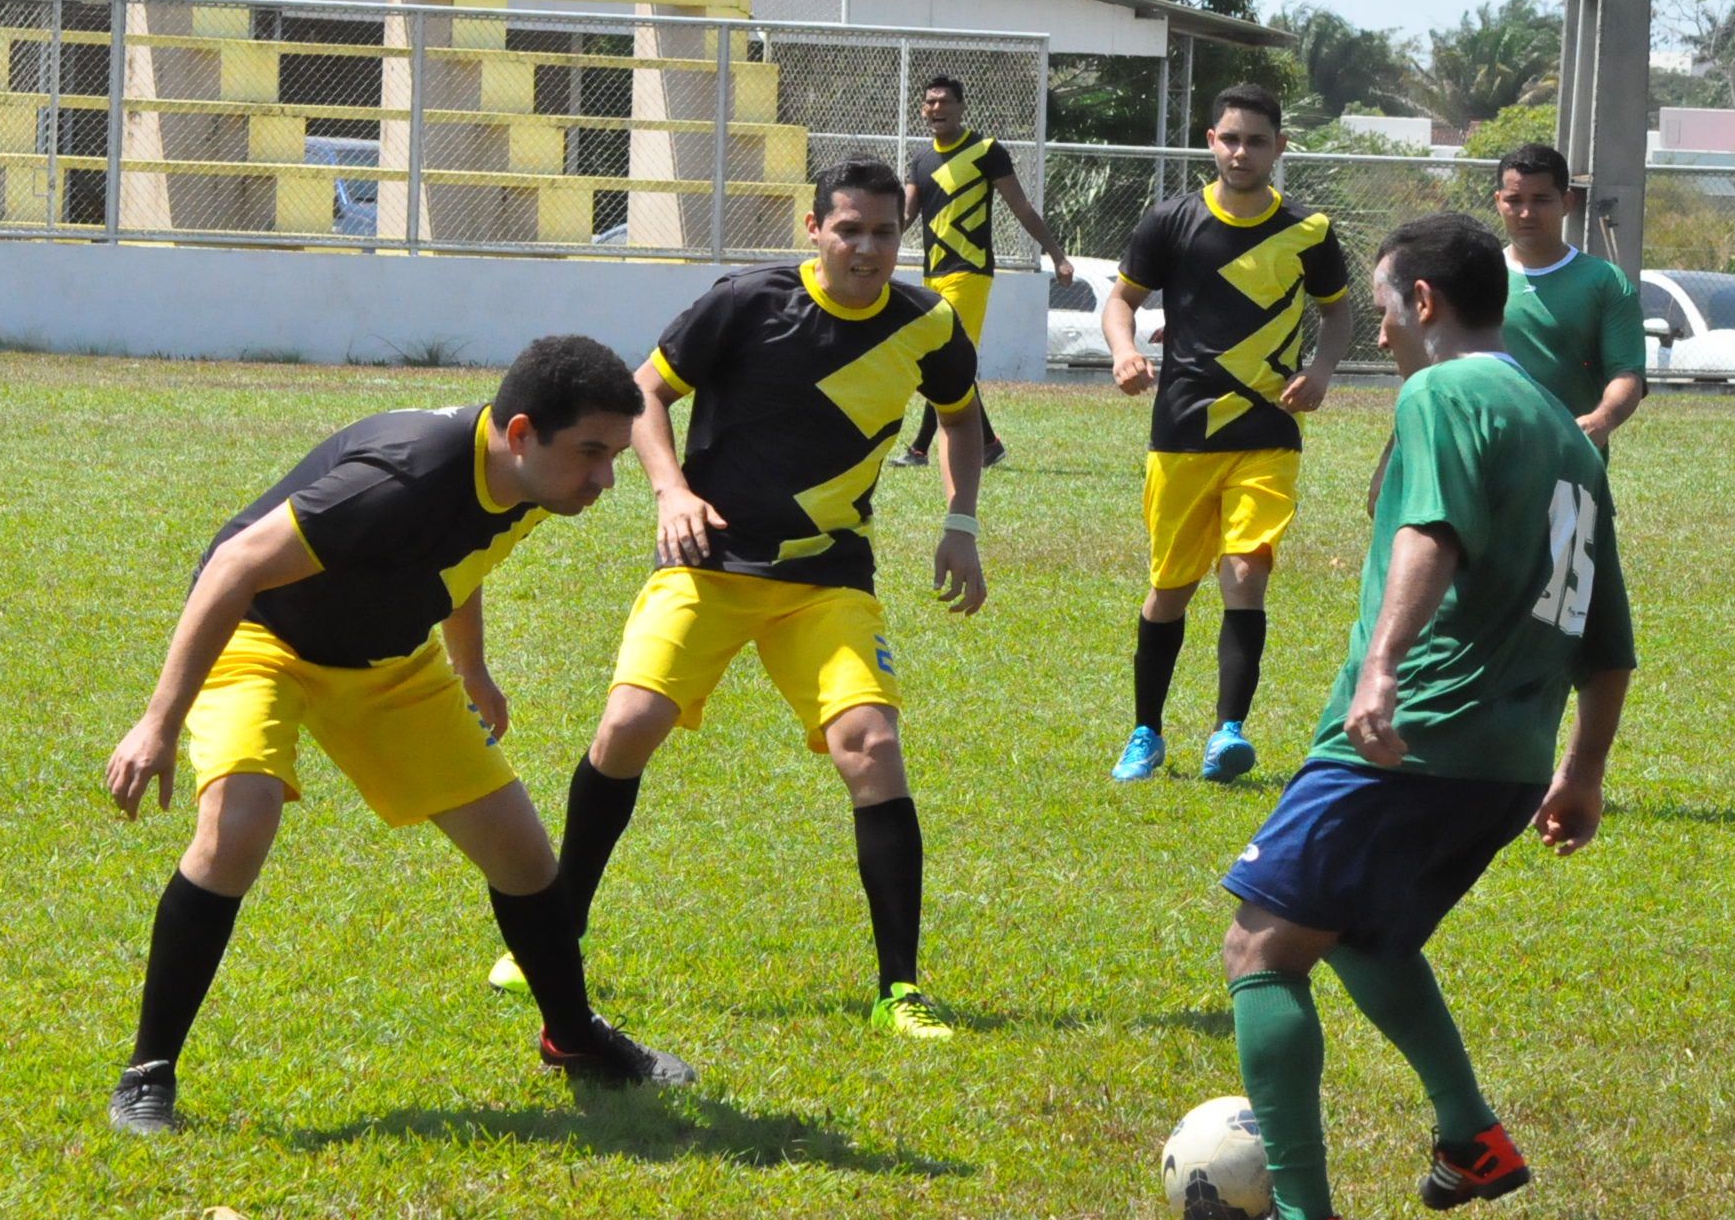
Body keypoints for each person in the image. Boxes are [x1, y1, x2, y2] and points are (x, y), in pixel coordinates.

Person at [102, 336, 695, 1135]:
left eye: (614, 454)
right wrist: (158, 722)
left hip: (388, 661)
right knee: (238, 826)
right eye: (591, 453)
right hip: (262, 640)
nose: (605, 478)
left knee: (522, 856)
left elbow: (457, 556)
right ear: (521, 433)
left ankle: (573, 1038)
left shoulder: (526, 480)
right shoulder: (401, 477)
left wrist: (472, 667)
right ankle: (147, 1073)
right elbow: (234, 565)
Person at [1216, 212, 1635, 1220]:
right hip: (1503, 759)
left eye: (1383, 303)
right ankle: (1470, 1137)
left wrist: (1380, 665)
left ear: (1424, 302)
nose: (1378, 326)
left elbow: (1428, 532)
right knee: (1366, 934)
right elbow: (1609, 635)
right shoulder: (1563, 431)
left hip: (1411, 736)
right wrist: (1580, 771)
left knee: (1261, 943)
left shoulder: (1442, 391)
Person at [519, 155, 987, 1041]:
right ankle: (554, 933)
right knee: (625, 729)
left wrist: (959, 522)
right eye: (848, 229)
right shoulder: (747, 301)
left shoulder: (930, 324)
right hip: (710, 565)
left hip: (826, 580)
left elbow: (960, 417)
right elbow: (645, 395)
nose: (867, 248)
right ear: (814, 230)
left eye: (885, 232)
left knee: (873, 748)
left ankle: (900, 988)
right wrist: (672, 492)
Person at [1100, 82, 1352, 784]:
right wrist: (1124, 351)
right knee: (1170, 589)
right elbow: (1122, 301)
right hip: (1181, 431)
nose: (1242, 152)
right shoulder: (1171, 222)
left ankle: (1226, 733)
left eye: (1257, 140)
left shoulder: (1311, 231)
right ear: (1210, 141)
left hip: (1269, 429)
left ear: (1280, 147)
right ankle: (1146, 732)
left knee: (1247, 572)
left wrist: (1323, 370)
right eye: (1229, 138)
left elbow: (1338, 315)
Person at [884, 74, 1074, 470]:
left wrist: (1057, 255)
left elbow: (1021, 207)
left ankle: (920, 449)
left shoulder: (986, 150)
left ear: (961, 107)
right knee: (944, 358)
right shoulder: (920, 160)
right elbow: (907, 214)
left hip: (969, 271)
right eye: (930, 102)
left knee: (943, 356)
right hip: (933, 273)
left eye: (945, 101)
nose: (936, 108)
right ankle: (988, 443)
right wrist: (878, 253)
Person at [1493, 143, 1646, 454]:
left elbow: (1628, 373)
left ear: (1566, 202)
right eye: (1514, 200)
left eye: (1541, 200)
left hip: (1569, 459)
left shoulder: (1604, 281)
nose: (1526, 213)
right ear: (1498, 202)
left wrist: (1601, 420)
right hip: (1489, 456)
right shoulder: (1474, 278)